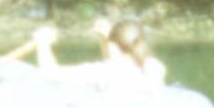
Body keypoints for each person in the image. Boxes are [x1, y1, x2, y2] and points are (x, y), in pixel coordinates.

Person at [33, 18, 167, 88]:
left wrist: (43, 43)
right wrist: (106, 39)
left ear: (114, 46)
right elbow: (118, 64)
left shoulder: (102, 72)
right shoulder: (155, 68)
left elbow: (51, 73)